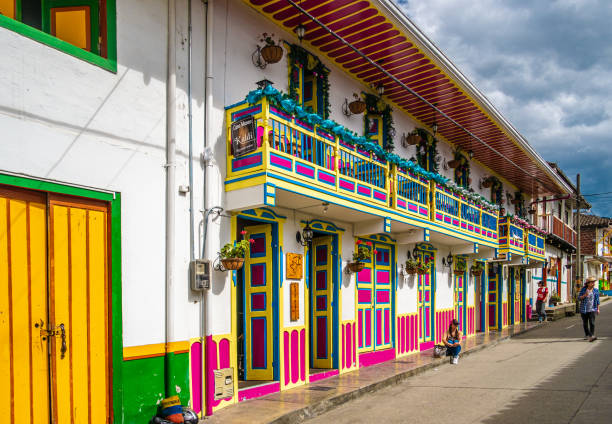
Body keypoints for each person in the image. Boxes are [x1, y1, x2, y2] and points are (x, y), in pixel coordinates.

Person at [578, 276, 600, 342]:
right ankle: (587, 334)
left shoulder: (596, 290)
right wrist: (585, 295)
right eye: (592, 282)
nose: (593, 283)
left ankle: (592, 335)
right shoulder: (583, 290)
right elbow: (579, 298)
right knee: (585, 323)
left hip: (592, 309)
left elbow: (597, 300)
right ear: (588, 283)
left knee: (592, 323)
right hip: (584, 309)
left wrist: (598, 309)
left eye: (594, 282)